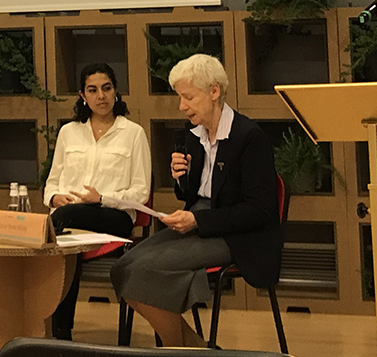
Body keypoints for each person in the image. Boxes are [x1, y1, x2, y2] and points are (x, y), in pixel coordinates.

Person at [111, 54, 282, 347]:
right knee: (122, 268)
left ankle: (185, 351)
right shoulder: (194, 136)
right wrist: (181, 178)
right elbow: (192, 196)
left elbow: (260, 210)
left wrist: (198, 220)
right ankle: (198, 350)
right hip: (200, 222)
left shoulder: (248, 136)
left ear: (214, 91)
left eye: (188, 97)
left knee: (143, 273)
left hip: (238, 235)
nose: (182, 106)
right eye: (180, 97)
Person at [44, 62, 150, 340]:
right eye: (93, 90)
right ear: (82, 95)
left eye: (106, 88)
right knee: (66, 245)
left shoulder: (134, 133)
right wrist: (56, 197)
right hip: (69, 219)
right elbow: (51, 184)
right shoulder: (69, 132)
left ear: (116, 92)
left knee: (55, 227)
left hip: (112, 217)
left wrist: (102, 198)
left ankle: (33, 313)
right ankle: (59, 330)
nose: (100, 96)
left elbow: (140, 192)